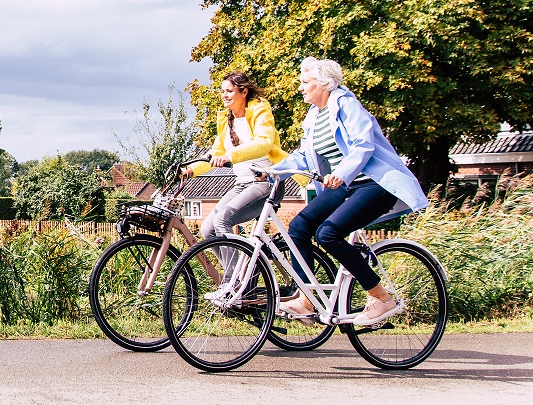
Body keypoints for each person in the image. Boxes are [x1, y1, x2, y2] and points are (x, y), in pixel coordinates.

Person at [277, 57, 429, 327]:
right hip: (346, 185)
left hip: (373, 184)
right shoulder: (313, 117)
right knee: (299, 226)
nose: (300, 87)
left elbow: (362, 144)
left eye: (305, 82)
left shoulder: (345, 103)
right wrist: (272, 171)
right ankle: (307, 299)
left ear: (323, 83)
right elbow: (302, 156)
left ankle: (381, 297)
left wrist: (342, 172)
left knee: (328, 233)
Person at [182, 72, 289, 244]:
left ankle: (235, 273)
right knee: (207, 229)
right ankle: (236, 270)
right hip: (242, 185)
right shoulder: (227, 120)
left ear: (244, 91)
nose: (224, 95)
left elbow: (264, 143)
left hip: (266, 183)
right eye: (222, 91)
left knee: (222, 221)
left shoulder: (259, 110)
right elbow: (216, 151)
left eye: (229, 91)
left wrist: (229, 156)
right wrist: (189, 170)